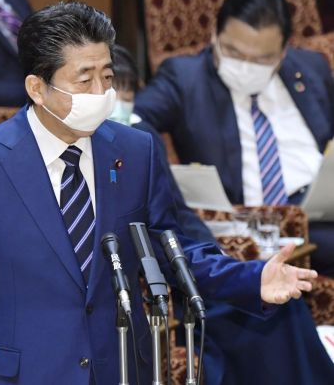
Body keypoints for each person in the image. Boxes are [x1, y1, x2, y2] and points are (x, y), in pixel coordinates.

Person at [0, 0, 318, 384]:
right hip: (26, 372)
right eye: (83, 79)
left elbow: (173, 252)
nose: (100, 92)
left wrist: (250, 278)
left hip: (121, 365)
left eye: (106, 76)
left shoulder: (135, 150)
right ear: (37, 88)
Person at [113, 43, 334, 385]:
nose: (117, 102)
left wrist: (224, 262)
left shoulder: (141, 135)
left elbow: (173, 217)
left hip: (192, 258)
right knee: (254, 317)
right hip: (161, 283)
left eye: (125, 93)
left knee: (279, 306)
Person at [134, 0, 334, 277]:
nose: (245, 67)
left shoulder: (311, 67)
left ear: (283, 51)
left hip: (320, 214)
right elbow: (134, 121)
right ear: (214, 35)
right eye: (233, 52)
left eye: (262, 59)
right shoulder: (185, 77)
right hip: (250, 226)